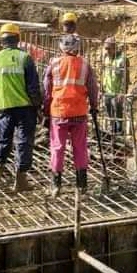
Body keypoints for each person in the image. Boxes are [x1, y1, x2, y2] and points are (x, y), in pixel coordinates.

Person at [0, 23, 42, 193]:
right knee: (23, 142)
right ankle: (20, 180)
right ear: (18, 39)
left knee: (2, 139)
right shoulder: (25, 58)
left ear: (2, 41)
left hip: (3, 106)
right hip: (24, 107)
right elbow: (33, 87)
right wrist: (39, 107)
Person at [42, 34, 99, 198]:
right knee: (80, 147)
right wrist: (94, 106)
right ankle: (82, 186)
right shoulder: (85, 64)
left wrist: (46, 109)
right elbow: (93, 88)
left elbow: (46, 89)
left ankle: (55, 185)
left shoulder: (54, 63)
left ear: (61, 47)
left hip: (59, 112)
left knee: (57, 147)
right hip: (79, 113)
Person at [100, 37, 128, 143]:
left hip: (117, 92)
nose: (107, 51)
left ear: (115, 48)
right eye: (106, 48)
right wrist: (101, 88)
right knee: (109, 111)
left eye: (109, 48)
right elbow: (103, 73)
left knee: (118, 111)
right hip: (108, 90)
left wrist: (122, 92)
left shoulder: (122, 59)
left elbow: (125, 77)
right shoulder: (106, 58)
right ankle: (113, 130)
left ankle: (120, 132)